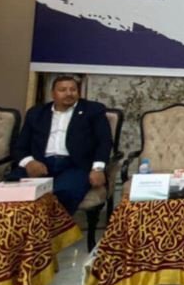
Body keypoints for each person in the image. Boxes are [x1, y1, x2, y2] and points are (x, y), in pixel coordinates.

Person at [10, 75, 112, 215]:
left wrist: (98, 169)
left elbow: (104, 142)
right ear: (53, 93)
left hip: (75, 165)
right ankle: (20, 227)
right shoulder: (37, 113)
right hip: (41, 164)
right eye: (63, 90)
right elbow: (20, 146)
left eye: (73, 90)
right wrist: (29, 163)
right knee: (10, 189)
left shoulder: (93, 110)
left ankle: (50, 228)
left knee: (62, 194)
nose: (69, 93)